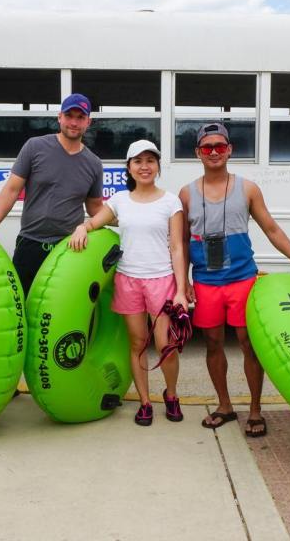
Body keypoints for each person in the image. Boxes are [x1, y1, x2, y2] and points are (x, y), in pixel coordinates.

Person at [179, 122, 290, 437]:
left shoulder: (248, 189)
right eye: (206, 148)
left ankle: (255, 410)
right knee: (213, 344)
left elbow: (271, 229)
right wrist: (183, 281)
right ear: (197, 153)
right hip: (206, 281)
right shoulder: (186, 194)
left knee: (249, 344)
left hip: (242, 279)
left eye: (219, 146)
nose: (213, 152)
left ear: (229, 150)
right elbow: (183, 242)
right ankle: (225, 406)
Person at [69, 140, 189, 427]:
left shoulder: (171, 201)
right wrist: (80, 227)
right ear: (129, 168)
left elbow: (177, 247)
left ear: (158, 166)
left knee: (165, 345)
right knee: (137, 343)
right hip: (129, 280)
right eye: (138, 161)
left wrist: (182, 291)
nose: (144, 166)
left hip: (161, 280)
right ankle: (145, 402)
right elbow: (93, 222)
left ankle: (171, 395)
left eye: (150, 160)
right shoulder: (119, 201)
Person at [0, 93, 104, 296]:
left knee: (61, 309)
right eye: (69, 116)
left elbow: (95, 208)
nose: (74, 122)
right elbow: (12, 190)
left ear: (88, 122)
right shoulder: (35, 147)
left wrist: (127, 216)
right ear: (59, 117)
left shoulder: (94, 164)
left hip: (68, 248)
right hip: (30, 243)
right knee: (20, 304)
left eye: (80, 117)